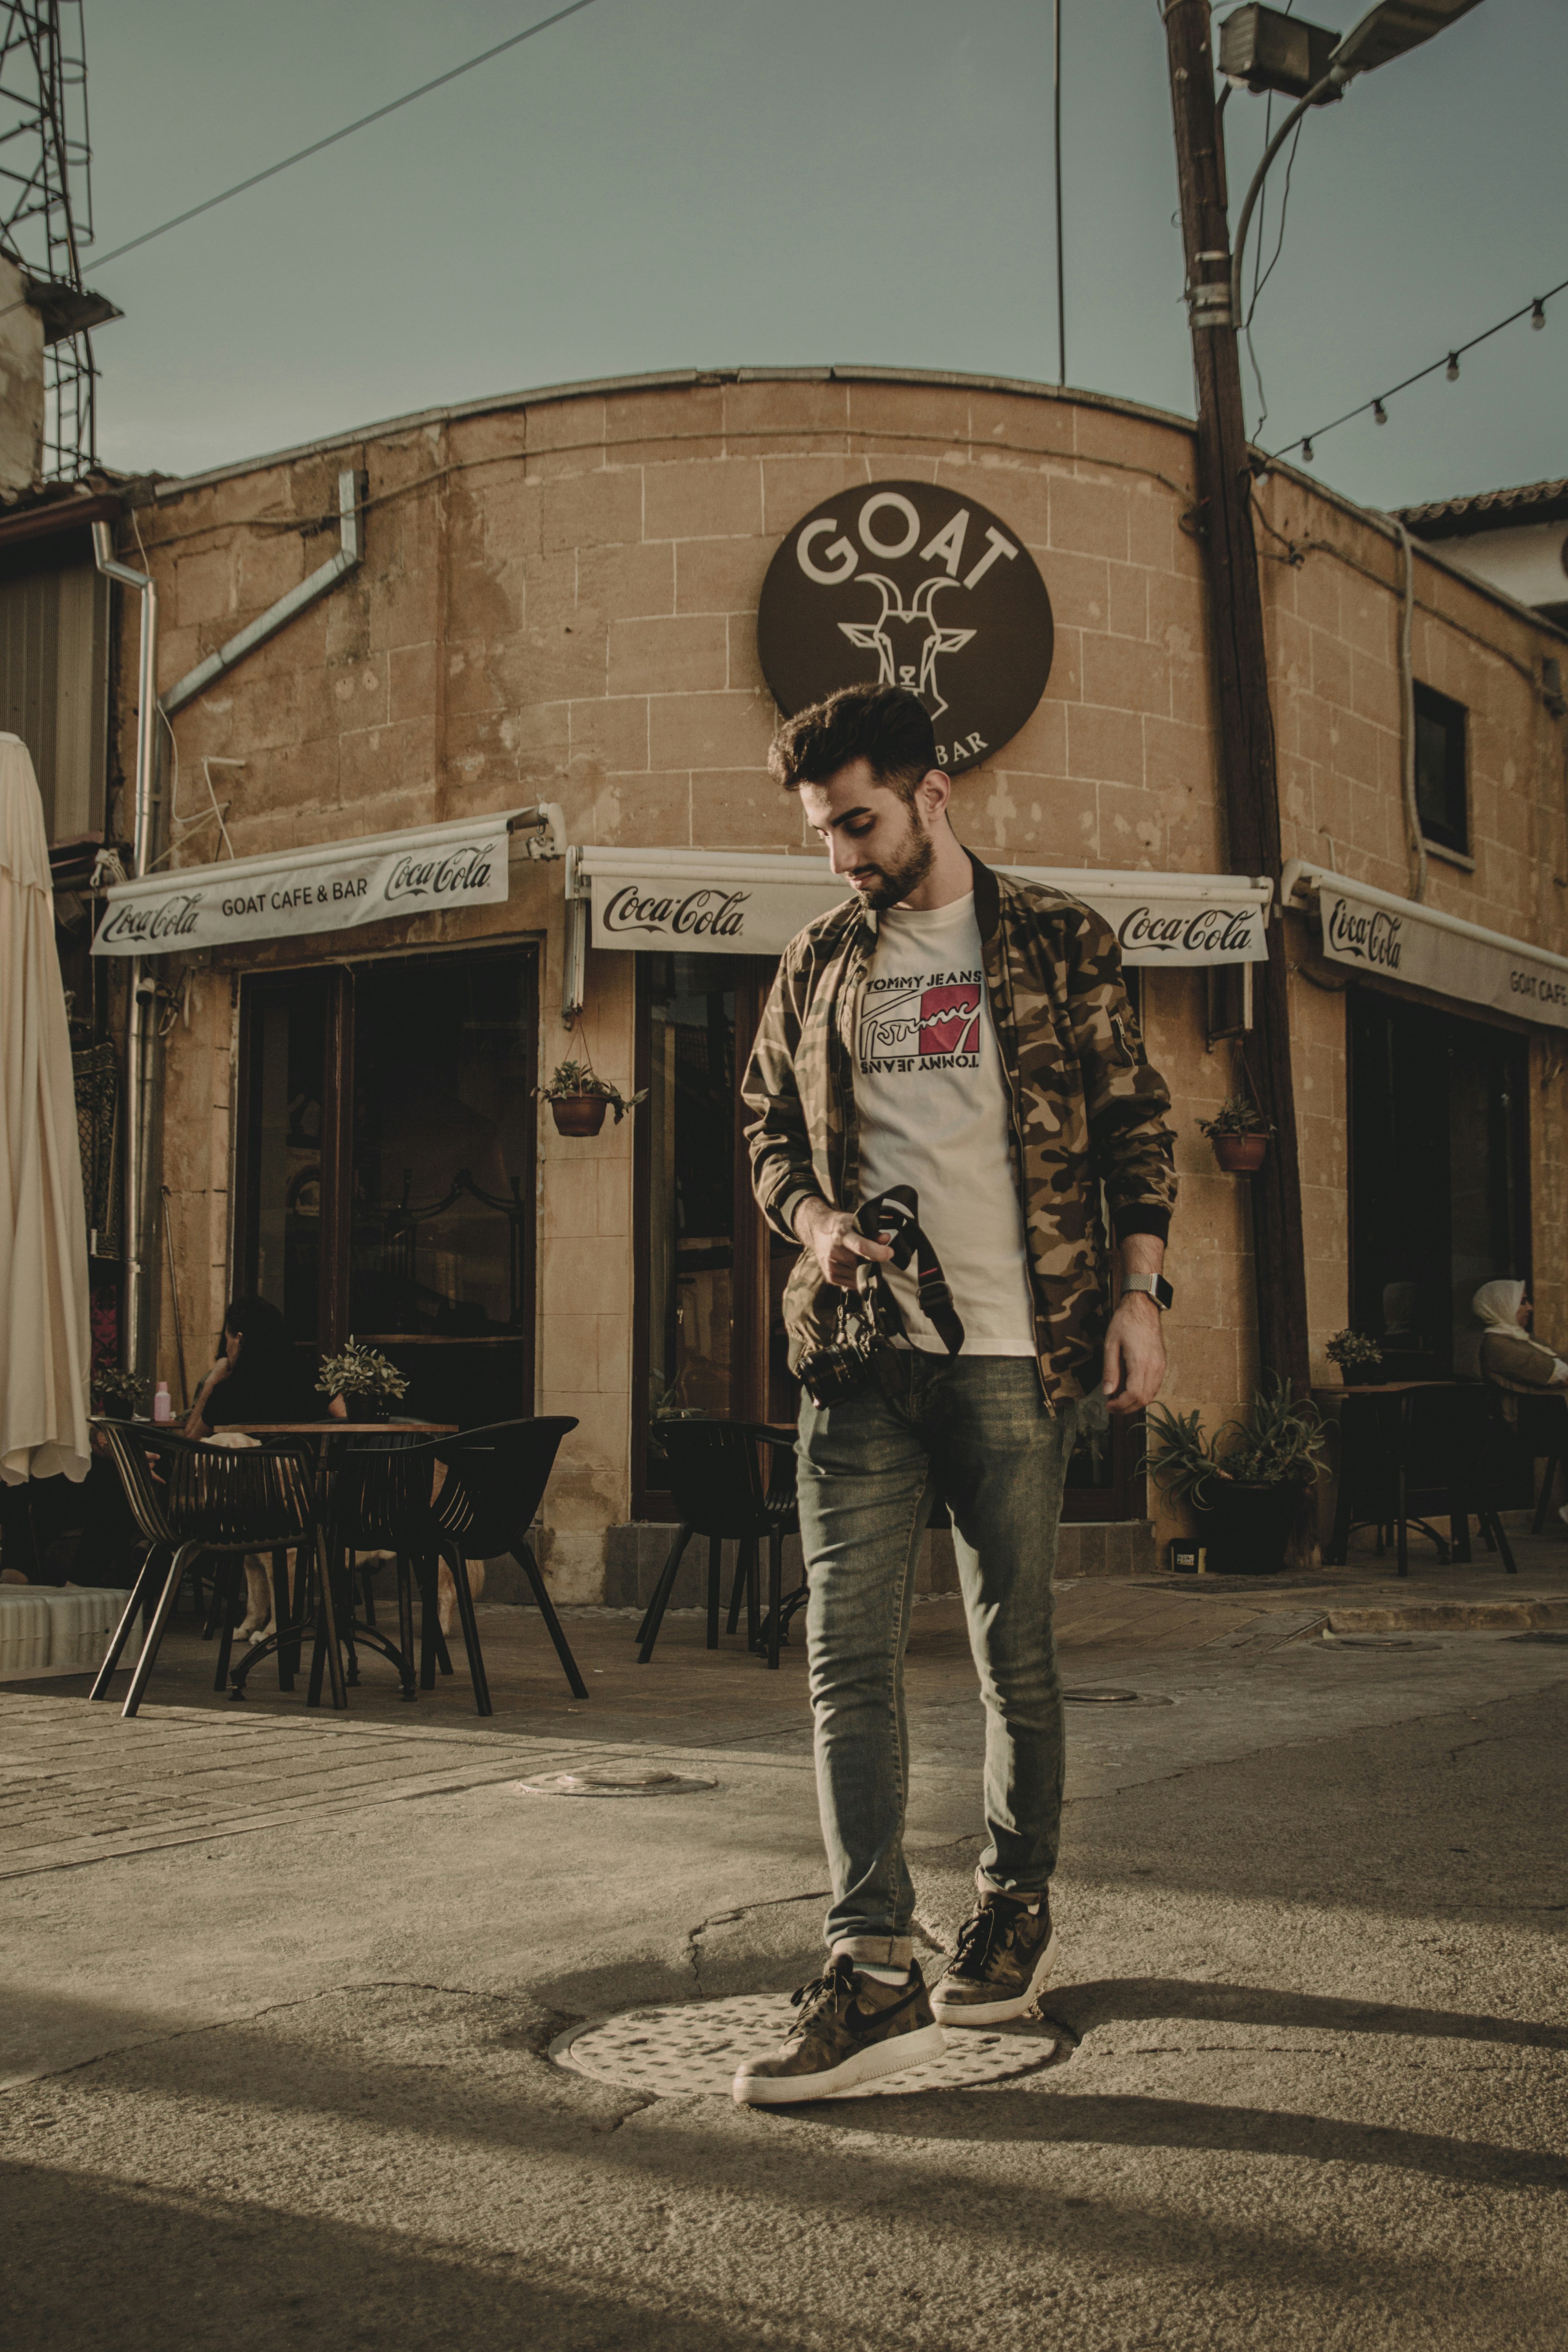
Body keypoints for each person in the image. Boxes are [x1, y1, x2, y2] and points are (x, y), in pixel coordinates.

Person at [731, 684, 1177, 2106]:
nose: (841, 855)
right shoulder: (818, 959)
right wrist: (815, 1228)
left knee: (1011, 1653)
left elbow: (1135, 1125)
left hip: (1016, 1353)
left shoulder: (1056, 938)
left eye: (857, 822)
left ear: (934, 795)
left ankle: (1012, 1906)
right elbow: (761, 1130)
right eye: (820, 832)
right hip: (861, 1357)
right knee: (845, 1657)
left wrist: (1137, 1294)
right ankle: (870, 1962)